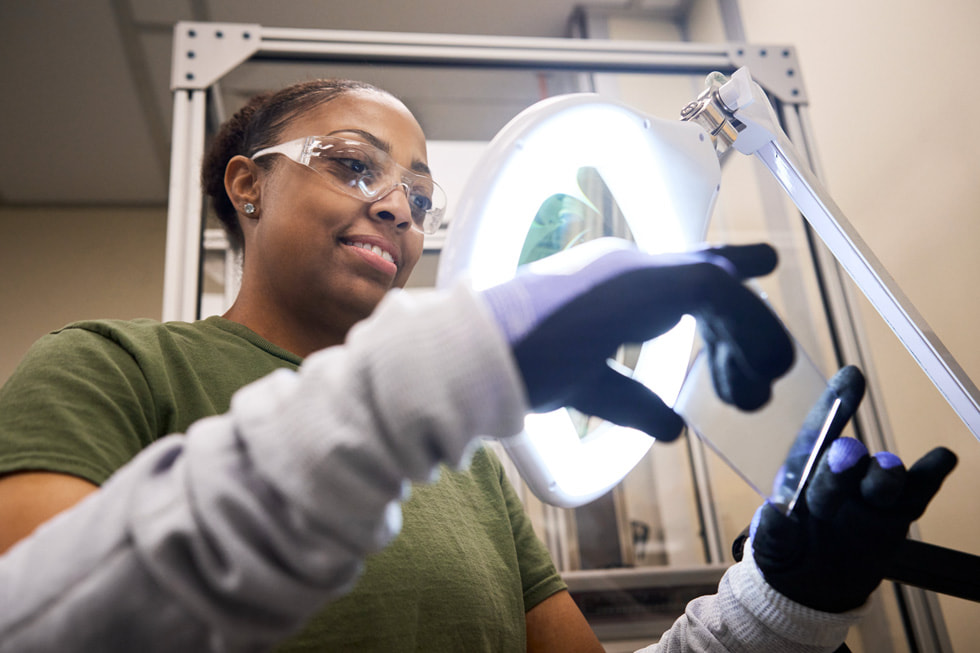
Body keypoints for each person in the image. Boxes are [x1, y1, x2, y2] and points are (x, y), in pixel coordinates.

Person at [0, 78, 956, 653]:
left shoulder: (466, 460)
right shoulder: (111, 368)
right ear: (246, 182)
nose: (400, 208)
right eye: (354, 164)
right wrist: (426, 382)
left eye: (421, 194)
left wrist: (782, 607)